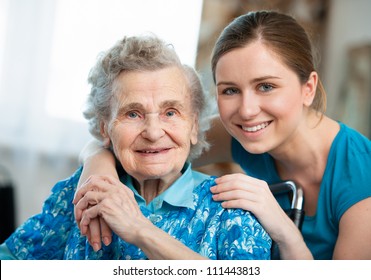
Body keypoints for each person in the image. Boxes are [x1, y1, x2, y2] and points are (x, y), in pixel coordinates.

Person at [76, 11, 371, 260]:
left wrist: (282, 227)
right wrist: (98, 174)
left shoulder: (360, 177)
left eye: (266, 86)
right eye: (230, 90)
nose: (247, 109)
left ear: (308, 88)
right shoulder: (238, 131)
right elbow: (141, 143)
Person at [0, 34, 271, 260]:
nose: (153, 133)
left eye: (171, 112)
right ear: (105, 128)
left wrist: (139, 229)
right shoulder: (82, 192)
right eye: (133, 114)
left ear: (193, 127)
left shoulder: (231, 210)